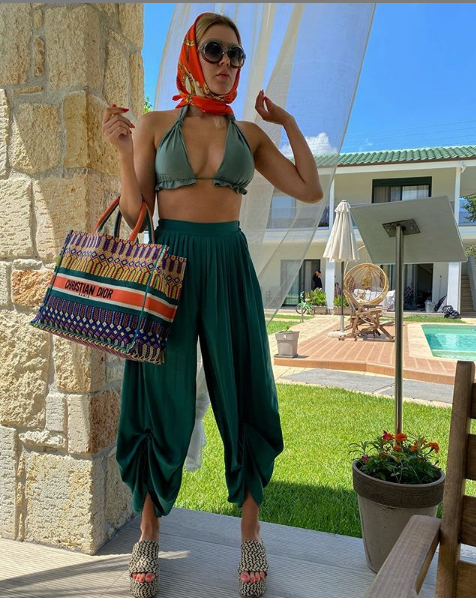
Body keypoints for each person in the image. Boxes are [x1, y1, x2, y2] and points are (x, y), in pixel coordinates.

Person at [102, 12, 322, 598]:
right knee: (158, 394)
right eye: (216, 50)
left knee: (243, 386)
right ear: (191, 54)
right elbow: (137, 213)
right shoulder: (155, 124)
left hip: (229, 267)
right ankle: (148, 531)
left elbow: (310, 189)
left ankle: (251, 531)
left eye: (236, 55)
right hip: (168, 268)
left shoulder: (249, 134)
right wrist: (124, 151)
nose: (227, 63)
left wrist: (288, 123)